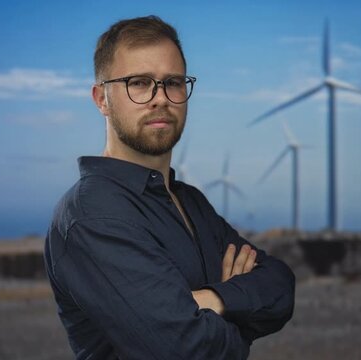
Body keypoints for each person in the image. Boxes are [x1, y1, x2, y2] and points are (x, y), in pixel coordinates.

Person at [44, 15, 295, 360]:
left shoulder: (190, 202)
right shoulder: (93, 214)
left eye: (173, 82)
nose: (160, 98)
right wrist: (241, 318)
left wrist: (213, 300)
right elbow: (186, 350)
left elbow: (280, 286)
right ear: (101, 99)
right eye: (139, 82)